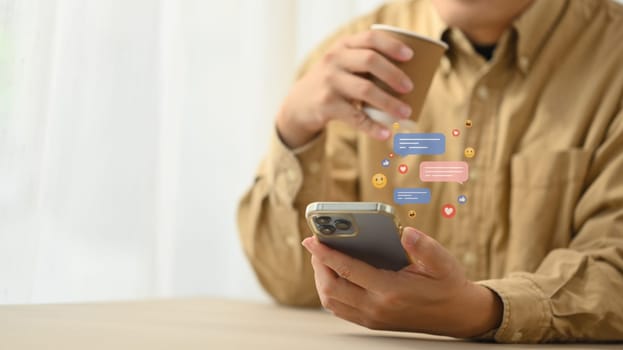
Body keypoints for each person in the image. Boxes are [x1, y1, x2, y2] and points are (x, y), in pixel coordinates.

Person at [237, 0, 623, 343]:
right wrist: (294, 130)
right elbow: (292, 282)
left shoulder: (613, 57)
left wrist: (484, 310)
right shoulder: (353, 57)